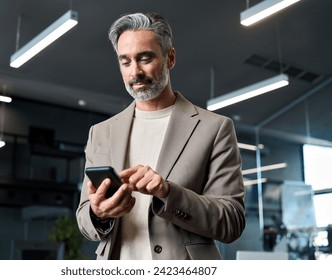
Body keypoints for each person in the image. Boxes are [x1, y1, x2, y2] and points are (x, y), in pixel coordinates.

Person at [76, 12, 245, 260]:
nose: (135, 72)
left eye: (145, 58)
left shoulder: (215, 128)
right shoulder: (100, 132)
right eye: (125, 62)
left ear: (170, 58)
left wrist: (168, 193)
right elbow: (83, 218)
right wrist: (98, 213)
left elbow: (231, 221)